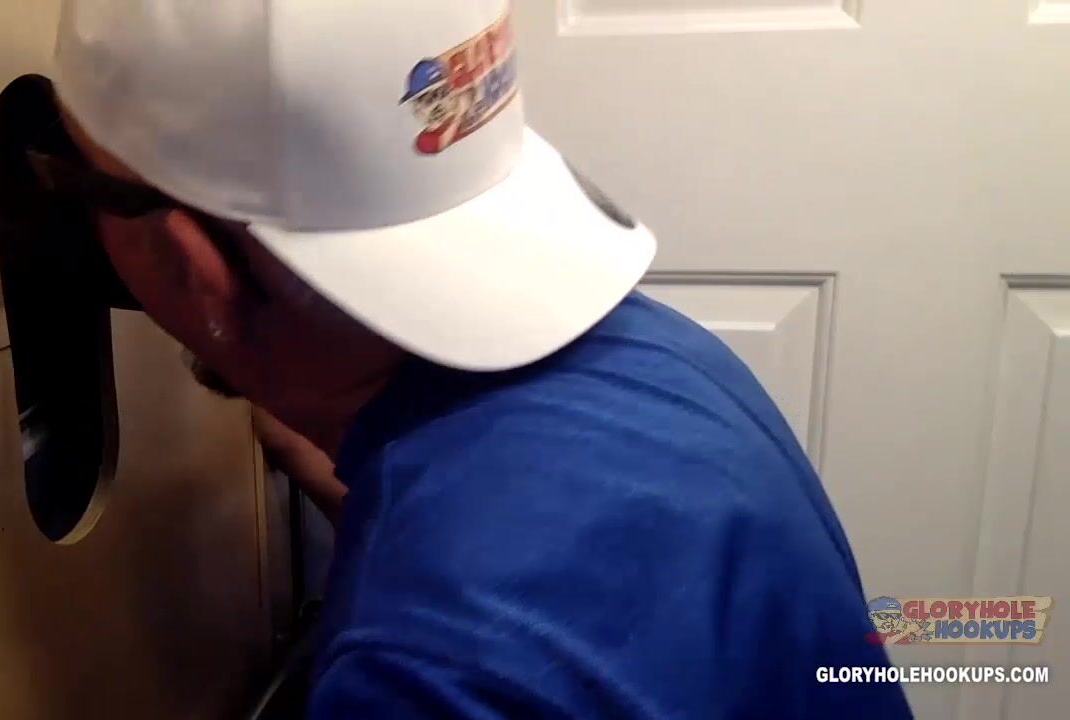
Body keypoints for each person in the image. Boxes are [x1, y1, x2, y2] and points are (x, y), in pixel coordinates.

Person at [49, 0, 913, 717]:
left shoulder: (426, 675)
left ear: (189, 265)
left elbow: (495, 623)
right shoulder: (667, 360)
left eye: (82, 188)